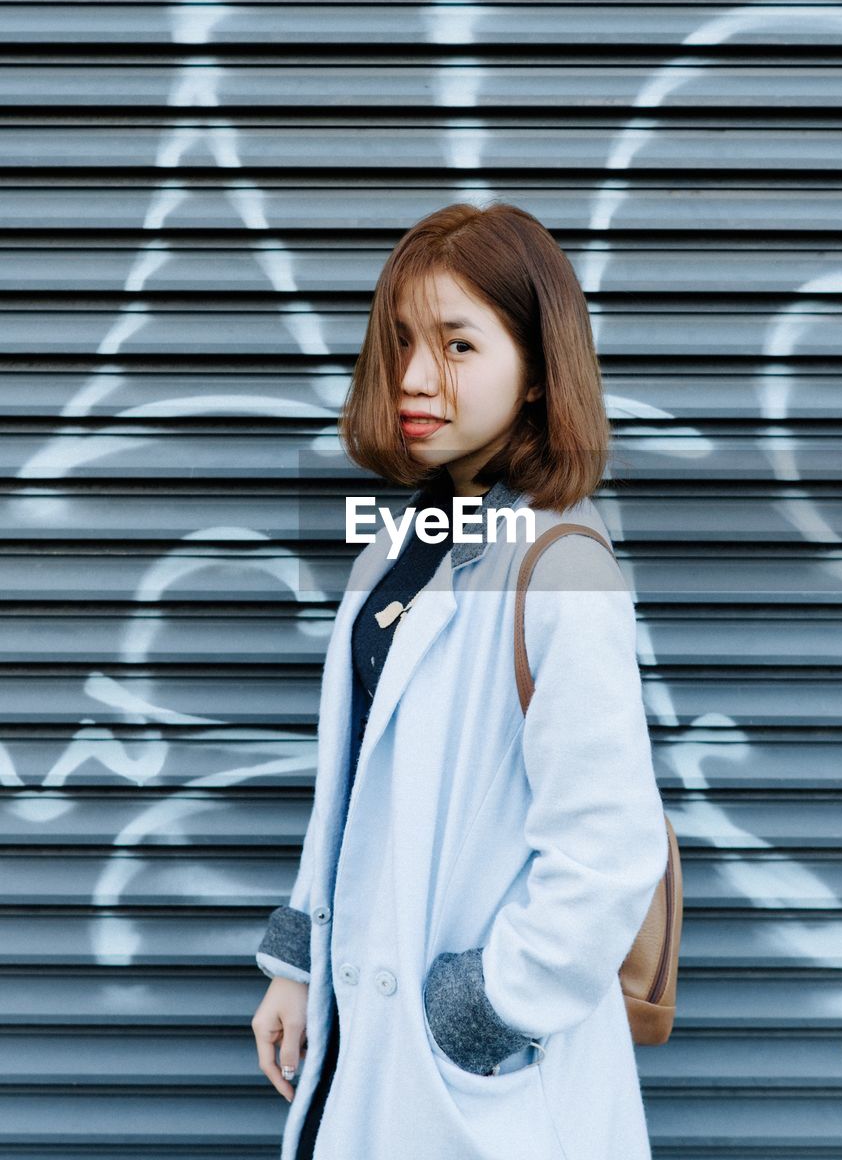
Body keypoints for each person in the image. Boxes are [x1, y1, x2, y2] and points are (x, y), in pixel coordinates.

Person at [250, 201, 669, 1160]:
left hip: (475, 1087)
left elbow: (606, 849)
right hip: (363, 1043)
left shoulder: (558, 562)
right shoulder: (398, 549)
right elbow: (352, 793)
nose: (411, 378)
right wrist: (299, 969)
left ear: (534, 371)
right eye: (400, 341)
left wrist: (480, 1011)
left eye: (457, 345)